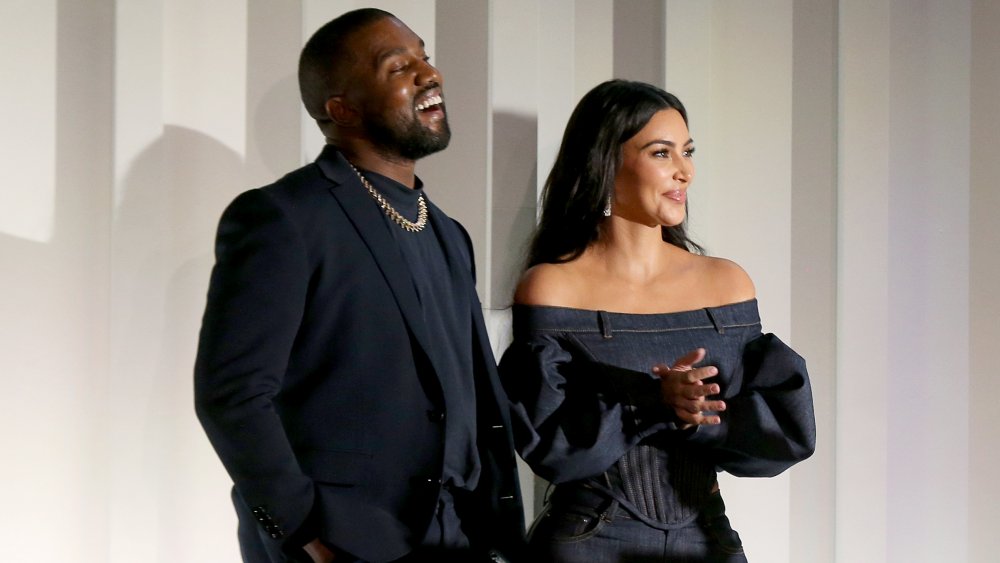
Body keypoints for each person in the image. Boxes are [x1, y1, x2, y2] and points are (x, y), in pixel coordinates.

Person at [194, 8, 524, 563]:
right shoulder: (282, 218)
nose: (429, 73)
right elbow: (232, 396)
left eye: (425, 55)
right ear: (341, 108)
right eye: (399, 66)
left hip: (457, 538)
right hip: (346, 542)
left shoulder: (447, 232)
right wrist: (305, 530)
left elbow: (464, 394)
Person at [498, 79, 816, 562]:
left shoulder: (727, 284)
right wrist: (652, 401)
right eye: (661, 153)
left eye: (687, 152)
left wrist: (699, 414)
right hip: (589, 540)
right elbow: (549, 444)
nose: (684, 171)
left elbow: (781, 434)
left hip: (705, 536)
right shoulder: (552, 287)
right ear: (606, 162)